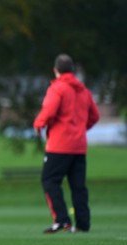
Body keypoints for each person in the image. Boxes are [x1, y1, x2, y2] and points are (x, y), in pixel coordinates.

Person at [33, 54, 100, 234]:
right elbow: (95, 116)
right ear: (73, 70)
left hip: (59, 145)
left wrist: (39, 124)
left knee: (49, 180)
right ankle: (83, 224)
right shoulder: (84, 90)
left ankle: (62, 220)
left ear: (56, 70)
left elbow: (49, 111)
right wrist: (80, 128)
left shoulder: (58, 88)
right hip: (79, 146)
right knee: (78, 185)